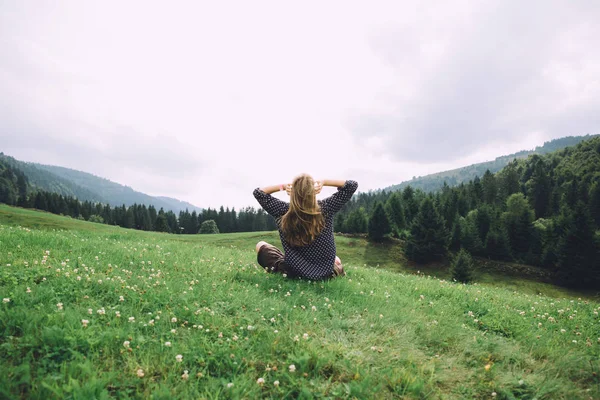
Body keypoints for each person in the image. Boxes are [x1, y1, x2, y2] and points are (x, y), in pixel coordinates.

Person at [253, 174, 358, 280]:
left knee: (260, 245)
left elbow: (259, 193)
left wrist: (283, 186)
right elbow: (351, 185)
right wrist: (324, 182)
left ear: (292, 192)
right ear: (313, 191)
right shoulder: (326, 208)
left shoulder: (282, 210)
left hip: (293, 272)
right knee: (337, 260)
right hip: (325, 275)